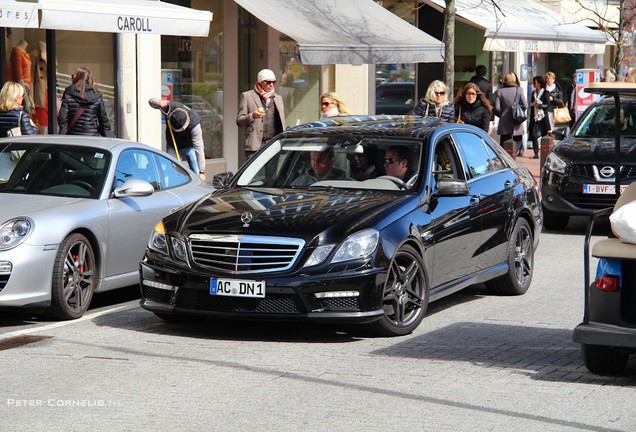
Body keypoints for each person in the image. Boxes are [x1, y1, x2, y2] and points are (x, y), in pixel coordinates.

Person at [148, 98, 206, 181]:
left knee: (196, 173)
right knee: (171, 170)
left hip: (189, 146)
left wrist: (202, 172)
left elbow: (199, 147)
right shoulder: (169, 108)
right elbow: (151, 101)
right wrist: (158, 102)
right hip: (173, 144)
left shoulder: (194, 123)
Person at [236, 68, 286, 160]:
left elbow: (281, 121)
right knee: (252, 173)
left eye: (273, 82)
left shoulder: (278, 99)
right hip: (253, 144)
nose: (271, 85)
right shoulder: (247, 96)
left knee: (271, 173)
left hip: (273, 143)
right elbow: (239, 121)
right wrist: (252, 116)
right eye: (268, 82)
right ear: (261, 82)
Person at [58, 67, 113, 137]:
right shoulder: (97, 95)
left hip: (73, 137)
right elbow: (104, 121)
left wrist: (62, 134)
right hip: (92, 138)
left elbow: (62, 118)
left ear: (76, 78)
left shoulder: (69, 93)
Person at [494, 72, 527, 150]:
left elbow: (497, 108)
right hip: (516, 119)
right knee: (518, 141)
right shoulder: (519, 90)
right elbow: (525, 105)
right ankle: (514, 157)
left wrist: (502, 115)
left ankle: (507, 160)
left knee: (504, 143)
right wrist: (519, 112)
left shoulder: (500, 91)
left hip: (504, 120)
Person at [528, 76, 551, 159]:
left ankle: (545, 153)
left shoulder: (545, 92)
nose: (534, 84)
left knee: (544, 135)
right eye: (533, 82)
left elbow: (548, 104)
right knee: (533, 134)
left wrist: (541, 106)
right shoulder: (534, 93)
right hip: (534, 116)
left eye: (535, 82)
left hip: (542, 116)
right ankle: (536, 153)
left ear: (540, 83)